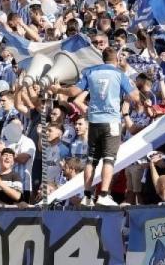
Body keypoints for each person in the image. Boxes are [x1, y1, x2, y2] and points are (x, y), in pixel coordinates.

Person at [60, 47, 140, 206]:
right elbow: (135, 96)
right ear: (116, 59)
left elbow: (73, 91)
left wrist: (58, 89)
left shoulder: (91, 72)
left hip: (94, 121)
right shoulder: (120, 74)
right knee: (109, 160)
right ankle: (103, 195)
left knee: (91, 160)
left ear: (102, 59)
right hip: (111, 121)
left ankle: (87, 195)